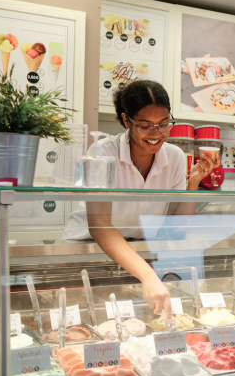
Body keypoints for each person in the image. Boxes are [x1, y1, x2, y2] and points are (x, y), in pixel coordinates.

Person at [62, 80, 220, 320]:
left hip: (138, 255)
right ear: (127, 121)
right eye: (145, 126)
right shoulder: (104, 152)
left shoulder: (175, 156)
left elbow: (175, 226)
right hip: (88, 254)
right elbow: (100, 225)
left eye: (164, 124)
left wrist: (193, 183)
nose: (156, 134)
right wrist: (148, 276)